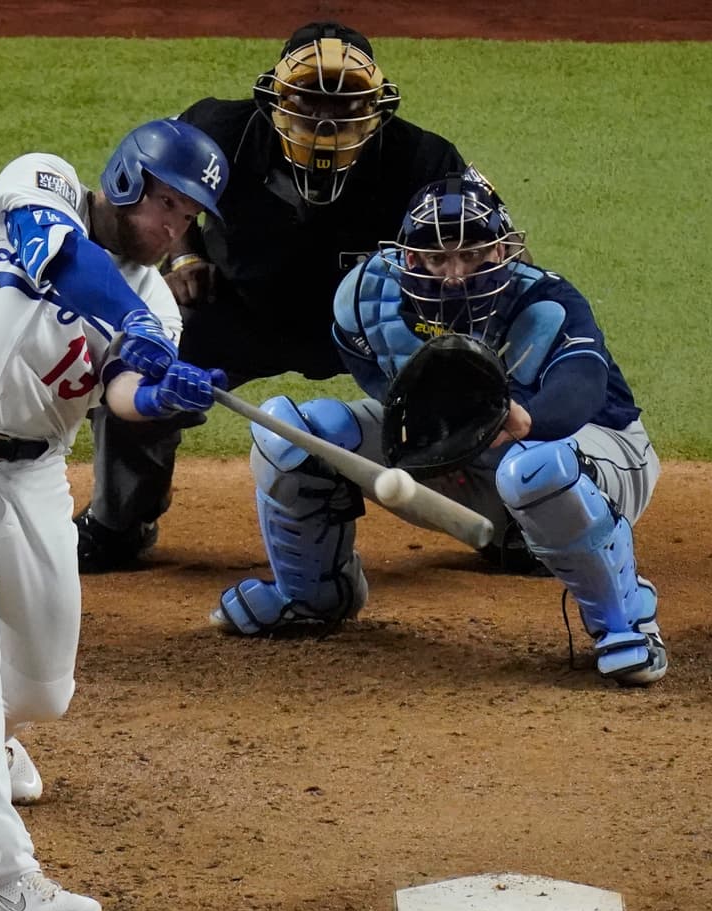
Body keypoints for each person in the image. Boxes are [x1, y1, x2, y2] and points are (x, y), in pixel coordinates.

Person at [0, 118, 230, 911]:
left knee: (42, 690)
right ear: (130, 181)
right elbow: (60, 254)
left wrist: (164, 397)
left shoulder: (155, 307)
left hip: (30, 476)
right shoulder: (43, 181)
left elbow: (121, 396)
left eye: (189, 216)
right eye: (167, 205)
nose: (175, 228)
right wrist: (131, 325)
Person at [209, 172, 668, 686]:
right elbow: (381, 389)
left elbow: (580, 387)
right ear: (408, 258)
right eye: (437, 256)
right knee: (288, 433)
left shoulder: (546, 304)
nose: (455, 274)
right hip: (459, 466)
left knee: (535, 467)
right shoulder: (368, 303)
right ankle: (311, 594)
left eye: (472, 254)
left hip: (599, 458)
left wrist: (529, 418)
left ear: (502, 252)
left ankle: (625, 620)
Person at [76, 20, 468, 572]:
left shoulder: (423, 160)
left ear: (380, 108)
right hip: (239, 309)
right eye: (308, 102)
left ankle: (514, 522)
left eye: (348, 103)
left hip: (368, 328)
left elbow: (478, 243)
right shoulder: (222, 131)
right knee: (143, 368)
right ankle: (119, 523)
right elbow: (171, 184)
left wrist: (438, 318)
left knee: (467, 377)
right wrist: (186, 256)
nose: (326, 119)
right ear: (274, 99)